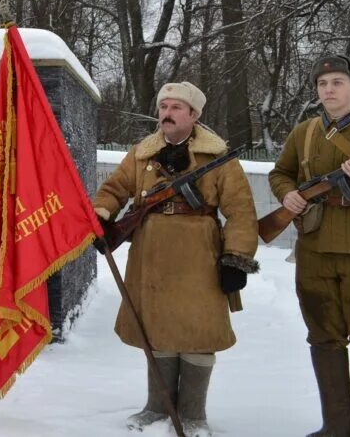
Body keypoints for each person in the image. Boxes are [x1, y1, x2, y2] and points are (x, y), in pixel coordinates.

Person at [93, 82, 259, 435]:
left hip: (200, 257)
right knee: (157, 330)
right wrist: (103, 216)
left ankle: (193, 414)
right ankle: (156, 407)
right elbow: (114, 189)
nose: (166, 113)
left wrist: (236, 257)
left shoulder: (218, 157)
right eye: (163, 106)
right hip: (150, 256)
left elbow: (241, 211)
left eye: (176, 107)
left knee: (198, 333)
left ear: (195, 115)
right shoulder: (141, 153)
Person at [269, 55, 350, 437]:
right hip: (314, 248)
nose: (329, 89)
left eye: (338, 82)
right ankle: (336, 426)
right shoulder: (305, 132)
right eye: (323, 83)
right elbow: (280, 172)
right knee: (323, 336)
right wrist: (288, 193)